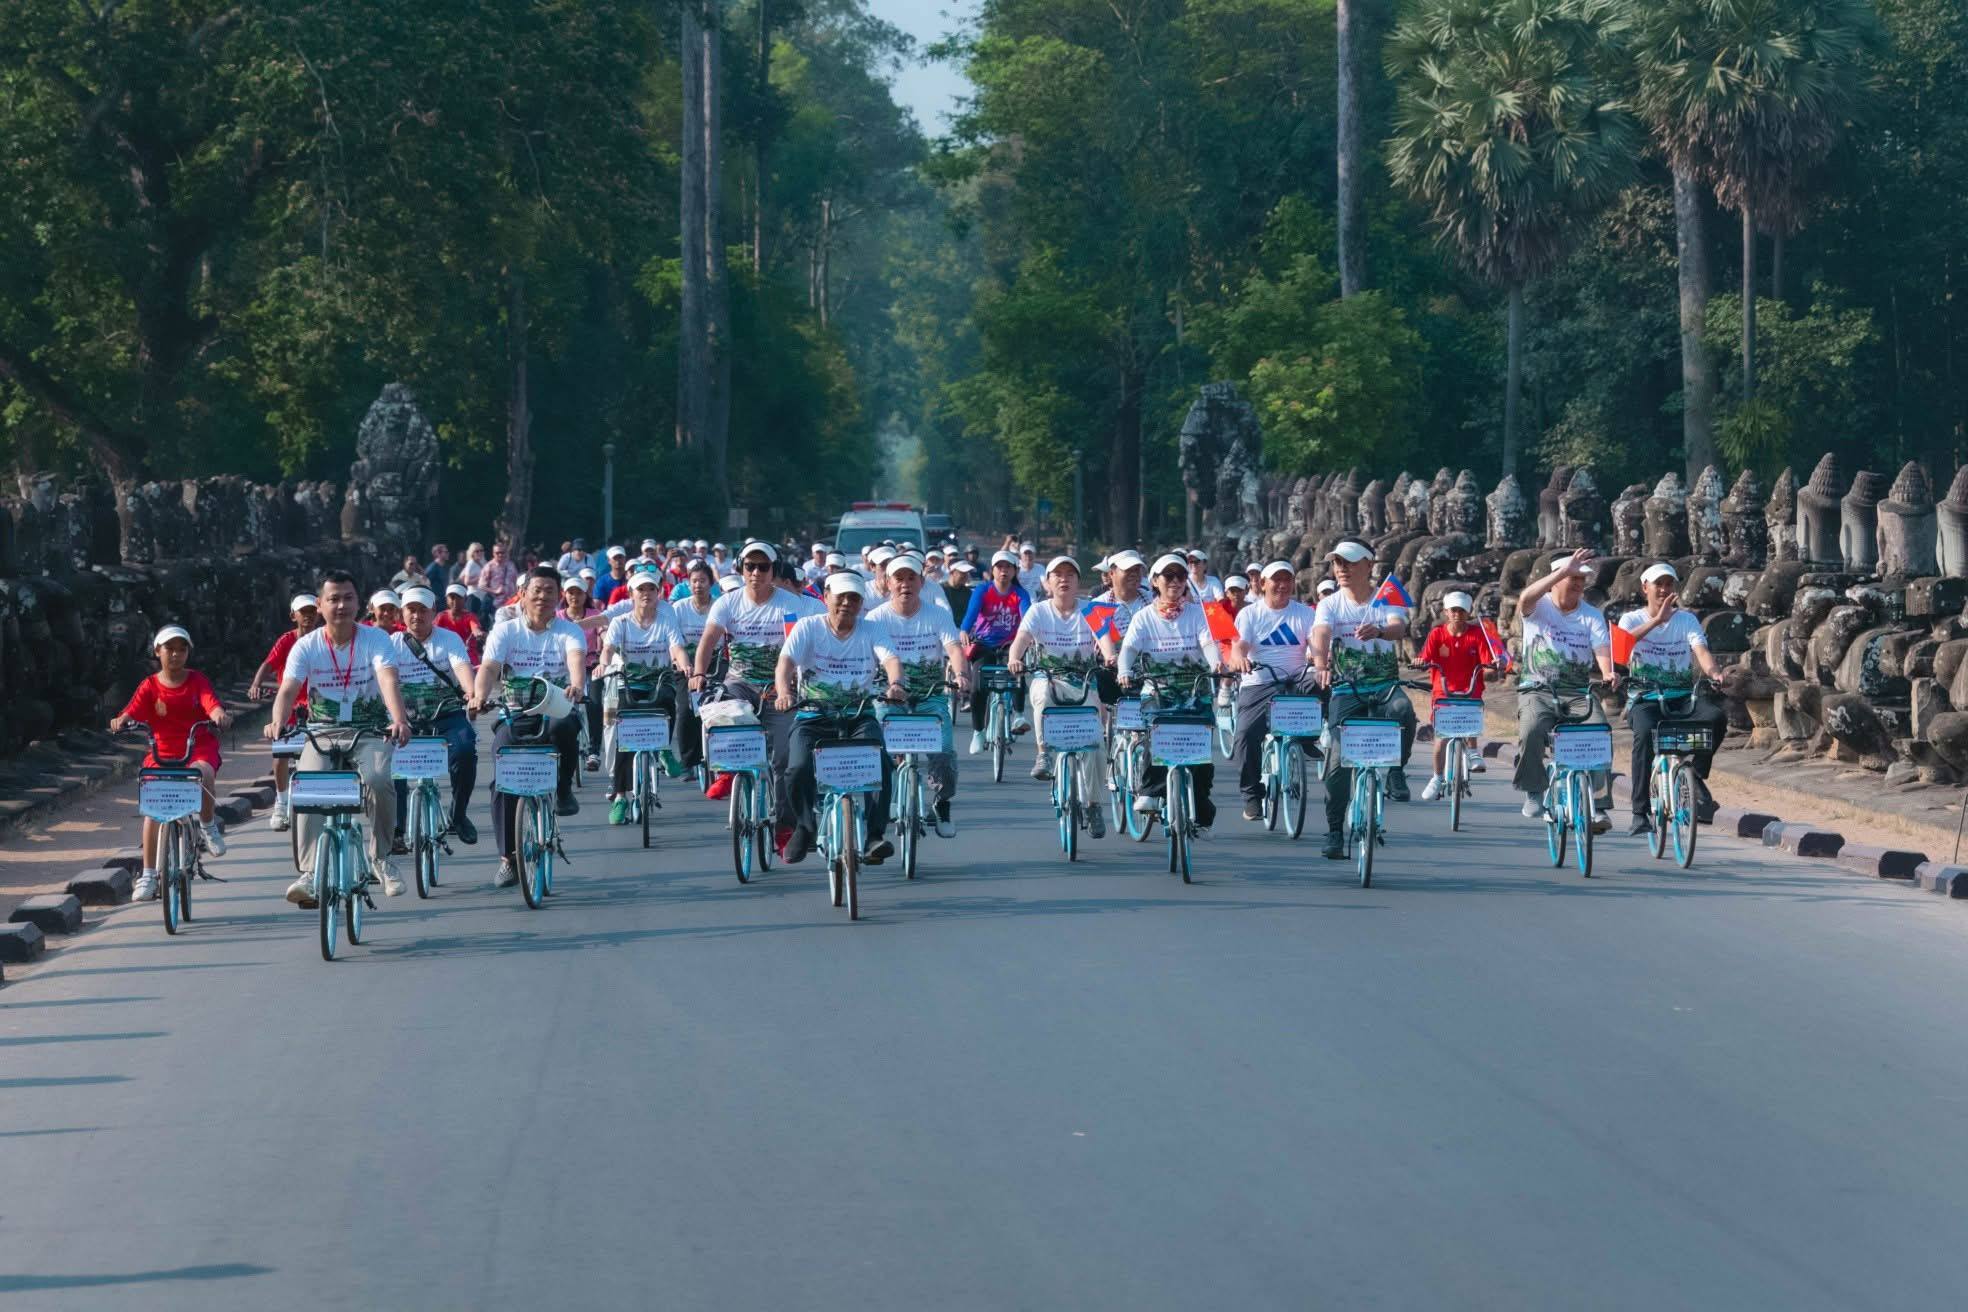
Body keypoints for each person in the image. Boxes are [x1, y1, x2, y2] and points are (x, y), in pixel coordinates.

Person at [265, 571, 413, 904]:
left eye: (348, 598)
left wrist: (399, 720)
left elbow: (388, 680)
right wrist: (277, 721)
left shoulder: (376, 639)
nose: (341, 605)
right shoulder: (307, 646)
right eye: (333, 599)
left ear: (359, 603)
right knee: (306, 788)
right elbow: (288, 689)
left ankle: (381, 858)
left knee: (378, 780)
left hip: (369, 730)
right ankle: (310, 873)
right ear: (320, 605)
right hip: (322, 732)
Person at [775, 572, 907, 865]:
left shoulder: (872, 628)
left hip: (859, 716)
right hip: (813, 715)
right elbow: (786, 662)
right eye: (841, 596)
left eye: (854, 598)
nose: (847, 603)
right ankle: (804, 827)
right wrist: (784, 692)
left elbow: (890, 660)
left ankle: (874, 836)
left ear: (861, 603)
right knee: (796, 767)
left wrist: (896, 684)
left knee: (882, 764)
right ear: (826, 598)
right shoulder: (808, 626)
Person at [474, 567, 589, 888]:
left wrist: (577, 686)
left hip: (555, 707)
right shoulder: (505, 631)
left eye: (549, 590)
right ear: (522, 594)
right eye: (536, 590)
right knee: (502, 777)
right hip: (515, 712)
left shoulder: (569, 631)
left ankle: (563, 788)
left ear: (559, 596)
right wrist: (479, 695)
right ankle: (508, 858)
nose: (542, 596)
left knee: (565, 726)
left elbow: (576, 662)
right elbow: (489, 668)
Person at [1311, 540, 1418, 859]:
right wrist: (1321, 665)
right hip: (1346, 689)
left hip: (1384, 686)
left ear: (1369, 565)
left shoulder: (1387, 596)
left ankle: (1396, 770)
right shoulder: (1330, 604)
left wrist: (1380, 632)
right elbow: (1321, 633)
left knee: (1404, 710)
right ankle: (1334, 830)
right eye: (1337, 563)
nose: (1341, 569)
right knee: (1337, 762)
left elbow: (1398, 627)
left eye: (1349, 562)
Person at [694, 542, 803, 849]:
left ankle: (785, 823)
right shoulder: (728, 603)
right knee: (722, 709)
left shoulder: (790, 604)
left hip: (778, 687)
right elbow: (708, 641)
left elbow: (803, 639)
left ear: (773, 570)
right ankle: (727, 770)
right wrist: (698, 673)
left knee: (784, 757)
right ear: (741, 569)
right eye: (750, 566)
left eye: (763, 567)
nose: (756, 573)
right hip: (740, 681)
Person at [113, 625, 233, 901]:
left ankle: (207, 825)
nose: (176, 654)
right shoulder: (149, 685)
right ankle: (148, 875)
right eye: (170, 648)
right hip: (162, 753)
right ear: (158, 651)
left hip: (196, 747)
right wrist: (121, 721)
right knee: (152, 809)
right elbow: (131, 711)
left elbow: (211, 703)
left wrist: (219, 715)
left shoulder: (197, 680)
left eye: (182, 649)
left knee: (204, 773)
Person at [1618, 562, 1727, 834]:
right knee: (1644, 735)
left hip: (1681, 697)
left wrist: (1714, 672)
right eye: (1659, 584)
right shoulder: (1630, 619)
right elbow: (1621, 649)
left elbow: (1700, 651)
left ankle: (1696, 773)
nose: (1664, 590)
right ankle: (1639, 812)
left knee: (1715, 717)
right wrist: (1657, 620)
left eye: (1669, 584)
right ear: (1645, 588)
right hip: (1645, 699)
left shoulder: (1686, 620)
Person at [1117, 554, 1223, 831]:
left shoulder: (1197, 613)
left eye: (1181, 576)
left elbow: (1207, 642)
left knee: (1201, 752)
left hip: (1195, 690)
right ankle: (1151, 791)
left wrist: (1216, 663)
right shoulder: (1143, 617)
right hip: (1158, 691)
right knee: (1157, 736)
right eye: (1168, 576)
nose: (1175, 581)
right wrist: (1124, 670)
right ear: (1155, 581)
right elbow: (1129, 648)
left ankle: (1200, 807)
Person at [1513, 548, 1616, 831]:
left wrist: (1607, 672)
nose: (1579, 584)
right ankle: (1534, 790)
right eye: (1573, 578)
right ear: (1557, 579)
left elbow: (1601, 647)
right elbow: (1524, 599)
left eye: (1582, 579)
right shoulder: (1539, 607)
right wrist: (1562, 571)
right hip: (1538, 689)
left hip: (1578, 692)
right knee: (1532, 729)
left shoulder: (1591, 615)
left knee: (1600, 733)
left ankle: (1598, 806)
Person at [868, 554, 970, 837]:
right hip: (888, 697)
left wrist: (961, 674)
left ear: (922, 582)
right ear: (888, 583)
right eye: (899, 578)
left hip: (930, 695)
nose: (905, 584)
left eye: (911, 578)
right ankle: (887, 798)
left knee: (944, 753)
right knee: (879, 750)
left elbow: (954, 649)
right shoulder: (875, 619)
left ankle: (942, 801)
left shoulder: (937, 615)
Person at [1008, 555, 1114, 810]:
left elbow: (1104, 638)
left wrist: (1111, 656)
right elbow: (1021, 639)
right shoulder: (1038, 611)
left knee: (1096, 746)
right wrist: (1014, 659)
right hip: (1049, 678)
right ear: (1047, 582)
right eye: (1058, 575)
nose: (1064, 580)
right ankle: (1043, 753)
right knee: (1042, 694)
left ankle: (1094, 805)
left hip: (1083, 684)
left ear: (1078, 582)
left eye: (1070, 575)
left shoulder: (1090, 609)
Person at [1228, 562, 1319, 823]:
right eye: (1276, 580)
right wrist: (1239, 658)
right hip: (1260, 681)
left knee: (1322, 682)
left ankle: (1307, 737)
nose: (1282, 585)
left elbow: (1315, 642)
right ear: (1262, 583)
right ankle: (1252, 795)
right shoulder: (1250, 614)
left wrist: (1318, 657)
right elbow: (1240, 645)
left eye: (1287, 579)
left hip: (1297, 679)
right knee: (1245, 735)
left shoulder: (1305, 613)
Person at [389, 587, 480, 847]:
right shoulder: (391, 644)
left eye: (423, 610)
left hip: (446, 713)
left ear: (433, 612)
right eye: (411, 610)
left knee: (465, 750)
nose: (416, 616)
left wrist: (471, 693)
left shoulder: (448, 639)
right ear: (402, 613)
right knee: (389, 764)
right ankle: (397, 828)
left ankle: (458, 814)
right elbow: (385, 679)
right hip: (404, 718)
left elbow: (461, 667)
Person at [600, 571, 689, 824]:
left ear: (658, 593)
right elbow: (608, 648)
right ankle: (620, 797)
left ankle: (664, 749)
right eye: (641, 589)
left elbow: (677, 648)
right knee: (624, 733)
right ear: (631, 594)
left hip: (659, 679)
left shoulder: (666, 620)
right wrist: (603, 664)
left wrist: (684, 664)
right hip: (630, 682)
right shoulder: (621, 622)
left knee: (667, 702)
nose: (646, 594)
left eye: (651, 589)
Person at [1415, 591, 1497, 801]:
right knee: (1441, 739)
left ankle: (1473, 752)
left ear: (1468, 613)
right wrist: (1420, 662)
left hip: (1471, 689)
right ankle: (1436, 778)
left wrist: (1492, 670)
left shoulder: (1477, 634)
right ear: (1446, 612)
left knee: (1470, 715)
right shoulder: (1437, 634)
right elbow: (1425, 657)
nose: (1457, 614)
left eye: (1462, 610)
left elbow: (1487, 663)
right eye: (1453, 610)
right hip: (1443, 691)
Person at [249, 593, 319, 830]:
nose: (308, 616)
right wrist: (256, 684)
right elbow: (268, 664)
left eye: (312, 611)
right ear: (293, 616)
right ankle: (281, 801)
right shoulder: (286, 641)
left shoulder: (324, 638)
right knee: (280, 754)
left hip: (318, 706)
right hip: (288, 705)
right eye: (303, 612)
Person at [960, 550, 1032, 751]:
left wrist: (1032, 636)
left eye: (1008, 567)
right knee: (978, 687)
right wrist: (964, 630)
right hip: (984, 644)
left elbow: (1028, 618)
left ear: (1015, 571)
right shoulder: (983, 590)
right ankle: (978, 732)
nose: (1003, 571)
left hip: (1011, 644)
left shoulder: (1020, 593)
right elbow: (971, 614)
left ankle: (1019, 715)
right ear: (992, 570)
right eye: (999, 567)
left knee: (1017, 669)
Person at [436, 583, 485, 664]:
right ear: (447, 599)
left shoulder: (470, 617)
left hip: (468, 656)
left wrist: (479, 633)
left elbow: (475, 628)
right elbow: (432, 631)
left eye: (459, 597)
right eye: (452, 597)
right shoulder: (441, 616)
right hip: (446, 655)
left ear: (465, 599)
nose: (455, 601)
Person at [480, 541, 519, 608]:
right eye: (497, 553)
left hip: (511, 602)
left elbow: (516, 581)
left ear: (506, 553)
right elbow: (481, 586)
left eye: (502, 552)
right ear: (493, 553)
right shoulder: (489, 566)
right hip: (496, 604)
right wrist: (495, 591)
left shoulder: (511, 565)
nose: (500, 555)